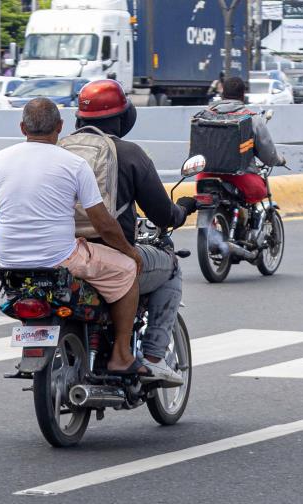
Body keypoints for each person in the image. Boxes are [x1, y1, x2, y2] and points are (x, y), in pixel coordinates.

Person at [0, 97, 147, 377]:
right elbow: (103, 223)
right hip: (59, 260)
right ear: (60, 127)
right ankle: (121, 354)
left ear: (22, 127)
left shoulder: (1, 158)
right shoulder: (73, 163)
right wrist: (130, 252)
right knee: (127, 270)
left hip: (9, 262)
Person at [70, 79, 197, 386]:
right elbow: (162, 213)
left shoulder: (59, 148)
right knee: (171, 267)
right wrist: (182, 209)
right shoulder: (129, 153)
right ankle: (153, 358)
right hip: (110, 253)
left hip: (63, 252)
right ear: (122, 117)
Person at [197, 76, 286, 203]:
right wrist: (279, 160)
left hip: (204, 177)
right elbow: (269, 157)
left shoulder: (203, 117)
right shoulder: (252, 120)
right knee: (260, 190)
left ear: (223, 94)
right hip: (241, 179)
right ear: (243, 95)